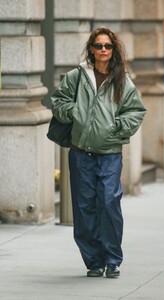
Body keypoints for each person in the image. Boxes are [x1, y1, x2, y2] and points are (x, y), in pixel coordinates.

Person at [51, 26, 147, 278]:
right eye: (98, 46)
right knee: (84, 208)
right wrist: (73, 113)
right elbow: (58, 101)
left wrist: (118, 126)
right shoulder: (77, 76)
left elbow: (136, 110)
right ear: (91, 49)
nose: (103, 50)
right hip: (80, 152)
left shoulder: (122, 79)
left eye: (107, 46)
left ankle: (112, 259)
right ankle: (93, 261)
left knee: (108, 202)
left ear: (113, 49)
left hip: (110, 152)